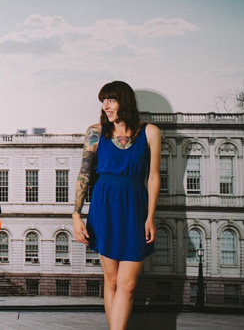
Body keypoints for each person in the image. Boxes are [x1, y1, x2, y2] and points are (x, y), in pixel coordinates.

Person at [72, 80, 160, 330]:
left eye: (110, 100)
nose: (106, 106)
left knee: (128, 284)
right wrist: (76, 214)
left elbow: (153, 177)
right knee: (111, 282)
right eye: (103, 102)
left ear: (125, 100)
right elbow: (84, 174)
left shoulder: (150, 132)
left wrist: (150, 217)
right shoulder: (95, 132)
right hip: (104, 205)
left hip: (135, 206)